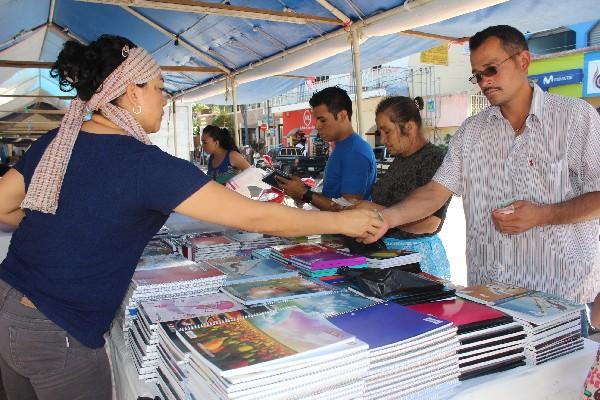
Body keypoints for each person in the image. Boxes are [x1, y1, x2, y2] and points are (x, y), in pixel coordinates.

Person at [0, 35, 382, 400]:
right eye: (159, 87)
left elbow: (3, 207)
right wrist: (343, 222)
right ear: (133, 92)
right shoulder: (144, 166)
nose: (165, 99)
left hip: (7, 305)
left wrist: (72, 229)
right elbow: (254, 217)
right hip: (59, 329)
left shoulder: (57, 142)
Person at [361, 25, 600, 306]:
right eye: (477, 75)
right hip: (489, 295)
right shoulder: (471, 132)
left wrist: (542, 214)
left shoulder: (574, 118)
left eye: (492, 70)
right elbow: (435, 192)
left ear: (523, 61)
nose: (484, 81)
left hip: (559, 298)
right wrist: (388, 218)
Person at [359, 96, 451, 279]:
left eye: (387, 132)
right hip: (389, 256)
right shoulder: (400, 159)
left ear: (409, 127)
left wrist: (377, 212)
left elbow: (429, 224)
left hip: (418, 261)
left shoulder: (433, 159)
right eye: (380, 133)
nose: (383, 140)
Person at [277, 87, 377, 211]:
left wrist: (303, 193)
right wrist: (302, 192)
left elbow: (348, 209)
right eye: (316, 120)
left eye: (322, 120)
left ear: (342, 115)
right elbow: (332, 197)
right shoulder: (343, 146)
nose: (317, 126)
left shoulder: (354, 152)